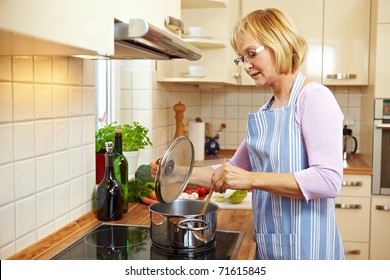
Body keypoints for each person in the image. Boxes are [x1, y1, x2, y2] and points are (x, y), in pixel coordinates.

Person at [152, 8, 345, 260]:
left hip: (309, 250)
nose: (246, 65)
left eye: (252, 53)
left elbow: (328, 179)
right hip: (271, 245)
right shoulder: (267, 110)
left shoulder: (314, 97)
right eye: (241, 58)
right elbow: (228, 173)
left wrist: (251, 179)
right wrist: (174, 173)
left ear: (281, 42)